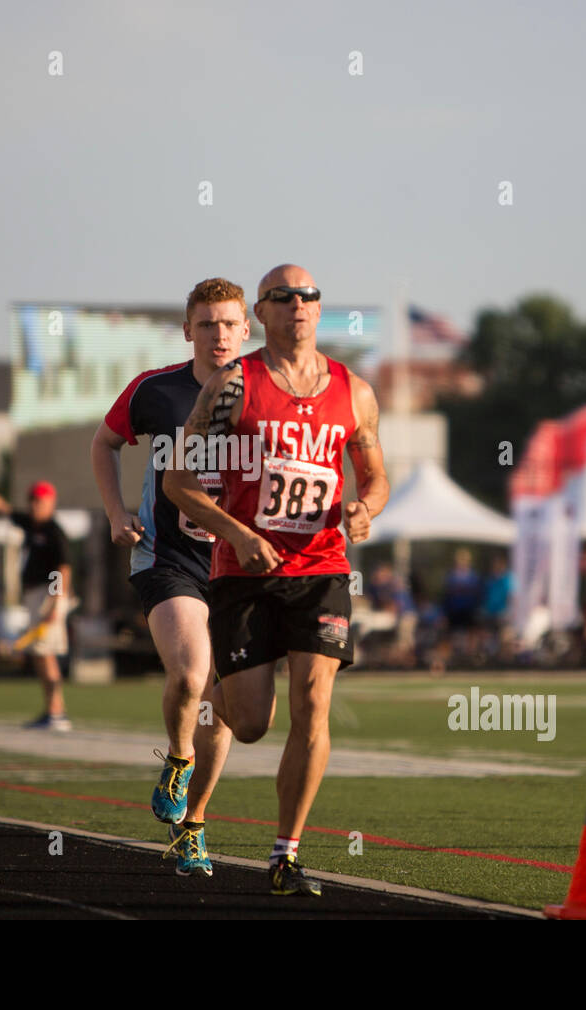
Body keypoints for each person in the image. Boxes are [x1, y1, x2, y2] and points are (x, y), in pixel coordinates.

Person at [165, 264, 389, 896]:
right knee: (253, 721)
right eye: (283, 296)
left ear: (320, 310)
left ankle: (286, 855)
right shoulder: (234, 385)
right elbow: (177, 482)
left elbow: (376, 477)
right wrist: (237, 533)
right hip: (245, 570)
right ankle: (217, 688)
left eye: (308, 295)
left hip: (321, 567)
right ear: (261, 313)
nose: (298, 304)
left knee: (313, 702)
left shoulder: (355, 391)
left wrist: (364, 509)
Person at [90, 276, 248, 877]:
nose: (219, 335)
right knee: (189, 677)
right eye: (206, 324)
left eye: (229, 323)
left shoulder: (265, 397)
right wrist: (115, 514)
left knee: (226, 704)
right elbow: (103, 444)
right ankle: (179, 760)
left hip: (236, 566)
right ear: (188, 331)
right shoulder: (157, 391)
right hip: (168, 559)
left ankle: (195, 827)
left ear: (245, 329)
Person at [0, 474, 73, 730]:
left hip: (49, 595)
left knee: (45, 654)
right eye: (32, 500)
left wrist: (55, 604)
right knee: (41, 655)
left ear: (50, 502)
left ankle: (57, 713)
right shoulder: (30, 524)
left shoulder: (55, 531)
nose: (35, 505)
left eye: (40, 501)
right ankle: (53, 711)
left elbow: (64, 569)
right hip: (36, 595)